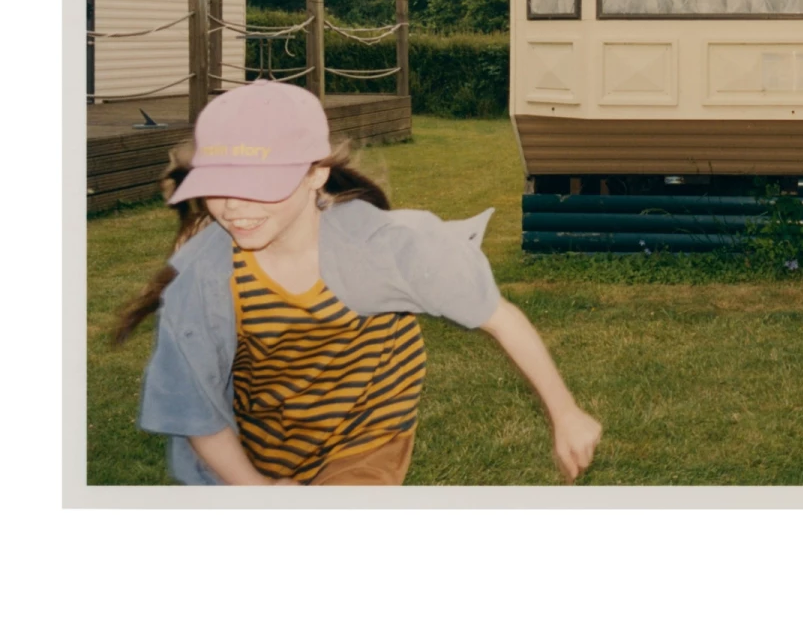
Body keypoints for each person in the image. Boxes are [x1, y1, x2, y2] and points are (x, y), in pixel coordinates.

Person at [120, 79, 602, 486]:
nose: (234, 207)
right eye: (219, 186)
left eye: (257, 185)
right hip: (260, 439)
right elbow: (195, 406)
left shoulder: (384, 249)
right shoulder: (202, 278)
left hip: (368, 433)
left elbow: (499, 317)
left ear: (316, 174)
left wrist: (567, 414)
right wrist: (259, 490)